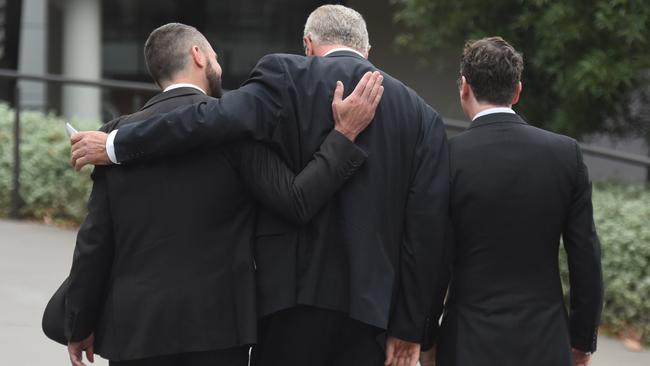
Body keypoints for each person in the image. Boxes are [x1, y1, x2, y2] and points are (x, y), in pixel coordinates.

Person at [68, 5, 450, 366]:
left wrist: (118, 143)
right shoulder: (422, 117)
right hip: (373, 312)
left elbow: (207, 120)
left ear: (308, 45)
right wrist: (412, 328)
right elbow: (427, 230)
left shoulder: (284, 77)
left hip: (288, 302)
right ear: (367, 50)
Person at [420, 37, 603, 366]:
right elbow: (586, 257)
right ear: (517, 91)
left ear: (464, 87)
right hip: (545, 339)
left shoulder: (447, 158)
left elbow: (435, 259)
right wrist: (581, 339)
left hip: (467, 340)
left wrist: (426, 336)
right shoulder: (565, 155)